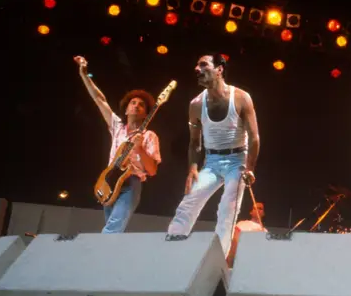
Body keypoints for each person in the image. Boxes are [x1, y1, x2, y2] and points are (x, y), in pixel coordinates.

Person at [165, 54, 260, 259]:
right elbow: (194, 142)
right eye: (196, 66)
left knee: (227, 209)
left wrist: (250, 167)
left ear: (219, 69)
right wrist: (192, 168)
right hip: (212, 162)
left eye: (203, 64)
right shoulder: (196, 105)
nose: (197, 69)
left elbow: (254, 138)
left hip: (238, 161)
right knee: (189, 202)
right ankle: (170, 251)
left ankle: (216, 261)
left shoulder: (241, 98)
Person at [73, 55, 161, 234]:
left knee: (113, 227)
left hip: (131, 181)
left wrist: (140, 148)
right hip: (108, 179)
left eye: (141, 105)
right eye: (133, 103)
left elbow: (152, 170)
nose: (136, 106)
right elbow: (100, 100)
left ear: (146, 113)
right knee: (112, 229)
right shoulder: (117, 127)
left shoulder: (150, 136)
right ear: (126, 109)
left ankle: (94, 256)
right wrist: (83, 74)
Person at [227, 202, 267, 267]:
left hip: (256, 263)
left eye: (260, 208)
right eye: (255, 208)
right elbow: (234, 243)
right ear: (251, 212)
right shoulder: (242, 224)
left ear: (263, 213)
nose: (258, 210)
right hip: (241, 260)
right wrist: (230, 260)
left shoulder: (265, 231)